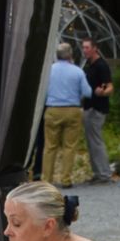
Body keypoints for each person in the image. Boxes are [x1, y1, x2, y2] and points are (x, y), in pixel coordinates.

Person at [41, 41, 88, 187]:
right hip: (72, 110)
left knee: (50, 146)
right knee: (69, 146)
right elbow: (87, 92)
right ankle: (66, 179)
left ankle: (46, 180)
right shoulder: (77, 71)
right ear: (70, 55)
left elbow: (43, 92)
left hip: (53, 109)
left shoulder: (49, 70)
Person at [80, 37, 115, 183]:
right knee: (91, 141)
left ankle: (104, 174)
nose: (84, 50)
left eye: (87, 47)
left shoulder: (101, 65)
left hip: (97, 109)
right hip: (88, 108)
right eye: (83, 47)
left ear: (95, 48)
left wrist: (102, 92)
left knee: (96, 141)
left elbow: (110, 86)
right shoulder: (89, 65)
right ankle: (98, 172)